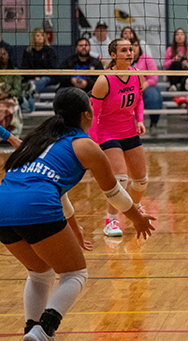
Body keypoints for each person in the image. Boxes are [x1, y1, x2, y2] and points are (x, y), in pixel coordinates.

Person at [0, 88, 154, 341]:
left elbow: (55, 189)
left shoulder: (37, 140)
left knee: (40, 273)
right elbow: (114, 193)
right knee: (75, 273)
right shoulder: (85, 146)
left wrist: (73, 226)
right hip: (36, 206)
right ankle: (44, 329)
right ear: (87, 114)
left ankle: (32, 331)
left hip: (3, 206)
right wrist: (137, 218)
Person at [90, 39, 149, 238]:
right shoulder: (104, 80)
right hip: (107, 133)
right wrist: (93, 143)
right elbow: (93, 114)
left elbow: (139, 101)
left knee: (141, 181)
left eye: (130, 49)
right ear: (113, 55)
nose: (129, 53)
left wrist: (139, 120)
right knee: (121, 179)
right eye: (124, 50)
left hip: (130, 130)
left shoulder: (136, 75)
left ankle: (135, 207)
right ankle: (111, 220)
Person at [130, 38, 163, 136]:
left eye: (136, 45)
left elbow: (154, 77)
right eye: (131, 47)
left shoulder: (146, 58)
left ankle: (153, 124)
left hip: (146, 87)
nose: (134, 48)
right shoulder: (123, 61)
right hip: (129, 89)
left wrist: (146, 84)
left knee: (154, 96)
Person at [21, 28, 59, 98]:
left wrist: (40, 76)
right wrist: (34, 77)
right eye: (38, 36)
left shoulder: (49, 51)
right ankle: (32, 91)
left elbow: (53, 67)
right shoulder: (28, 52)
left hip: (47, 77)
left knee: (41, 81)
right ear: (33, 38)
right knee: (30, 84)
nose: (40, 37)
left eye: (42, 35)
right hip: (32, 78)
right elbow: (25, 68)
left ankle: (32, 89)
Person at [0, 47, 22, 131]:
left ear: (8, 55)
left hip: (10, 98)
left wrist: (6, 95)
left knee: (7, 107)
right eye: (0, 54)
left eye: (4, 53)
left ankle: (8, 133)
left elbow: (18, 91)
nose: (2, 56)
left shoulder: (14, 71)